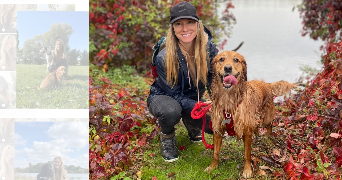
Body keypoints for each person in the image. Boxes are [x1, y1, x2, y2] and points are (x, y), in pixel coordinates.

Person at [147, 1, 218, 162]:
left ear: (198, 24)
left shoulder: (208, 48)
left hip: (193, 98)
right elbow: (174, 95)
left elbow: (213, 79)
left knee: (214, 126)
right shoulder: (163, 57)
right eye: (179, 24)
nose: (185, 29)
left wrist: (216, 103)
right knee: (171, 111)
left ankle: (191, 122)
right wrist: (198, 107)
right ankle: (167, 136)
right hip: (164, 97)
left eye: (190, 22)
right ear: (173, 28)